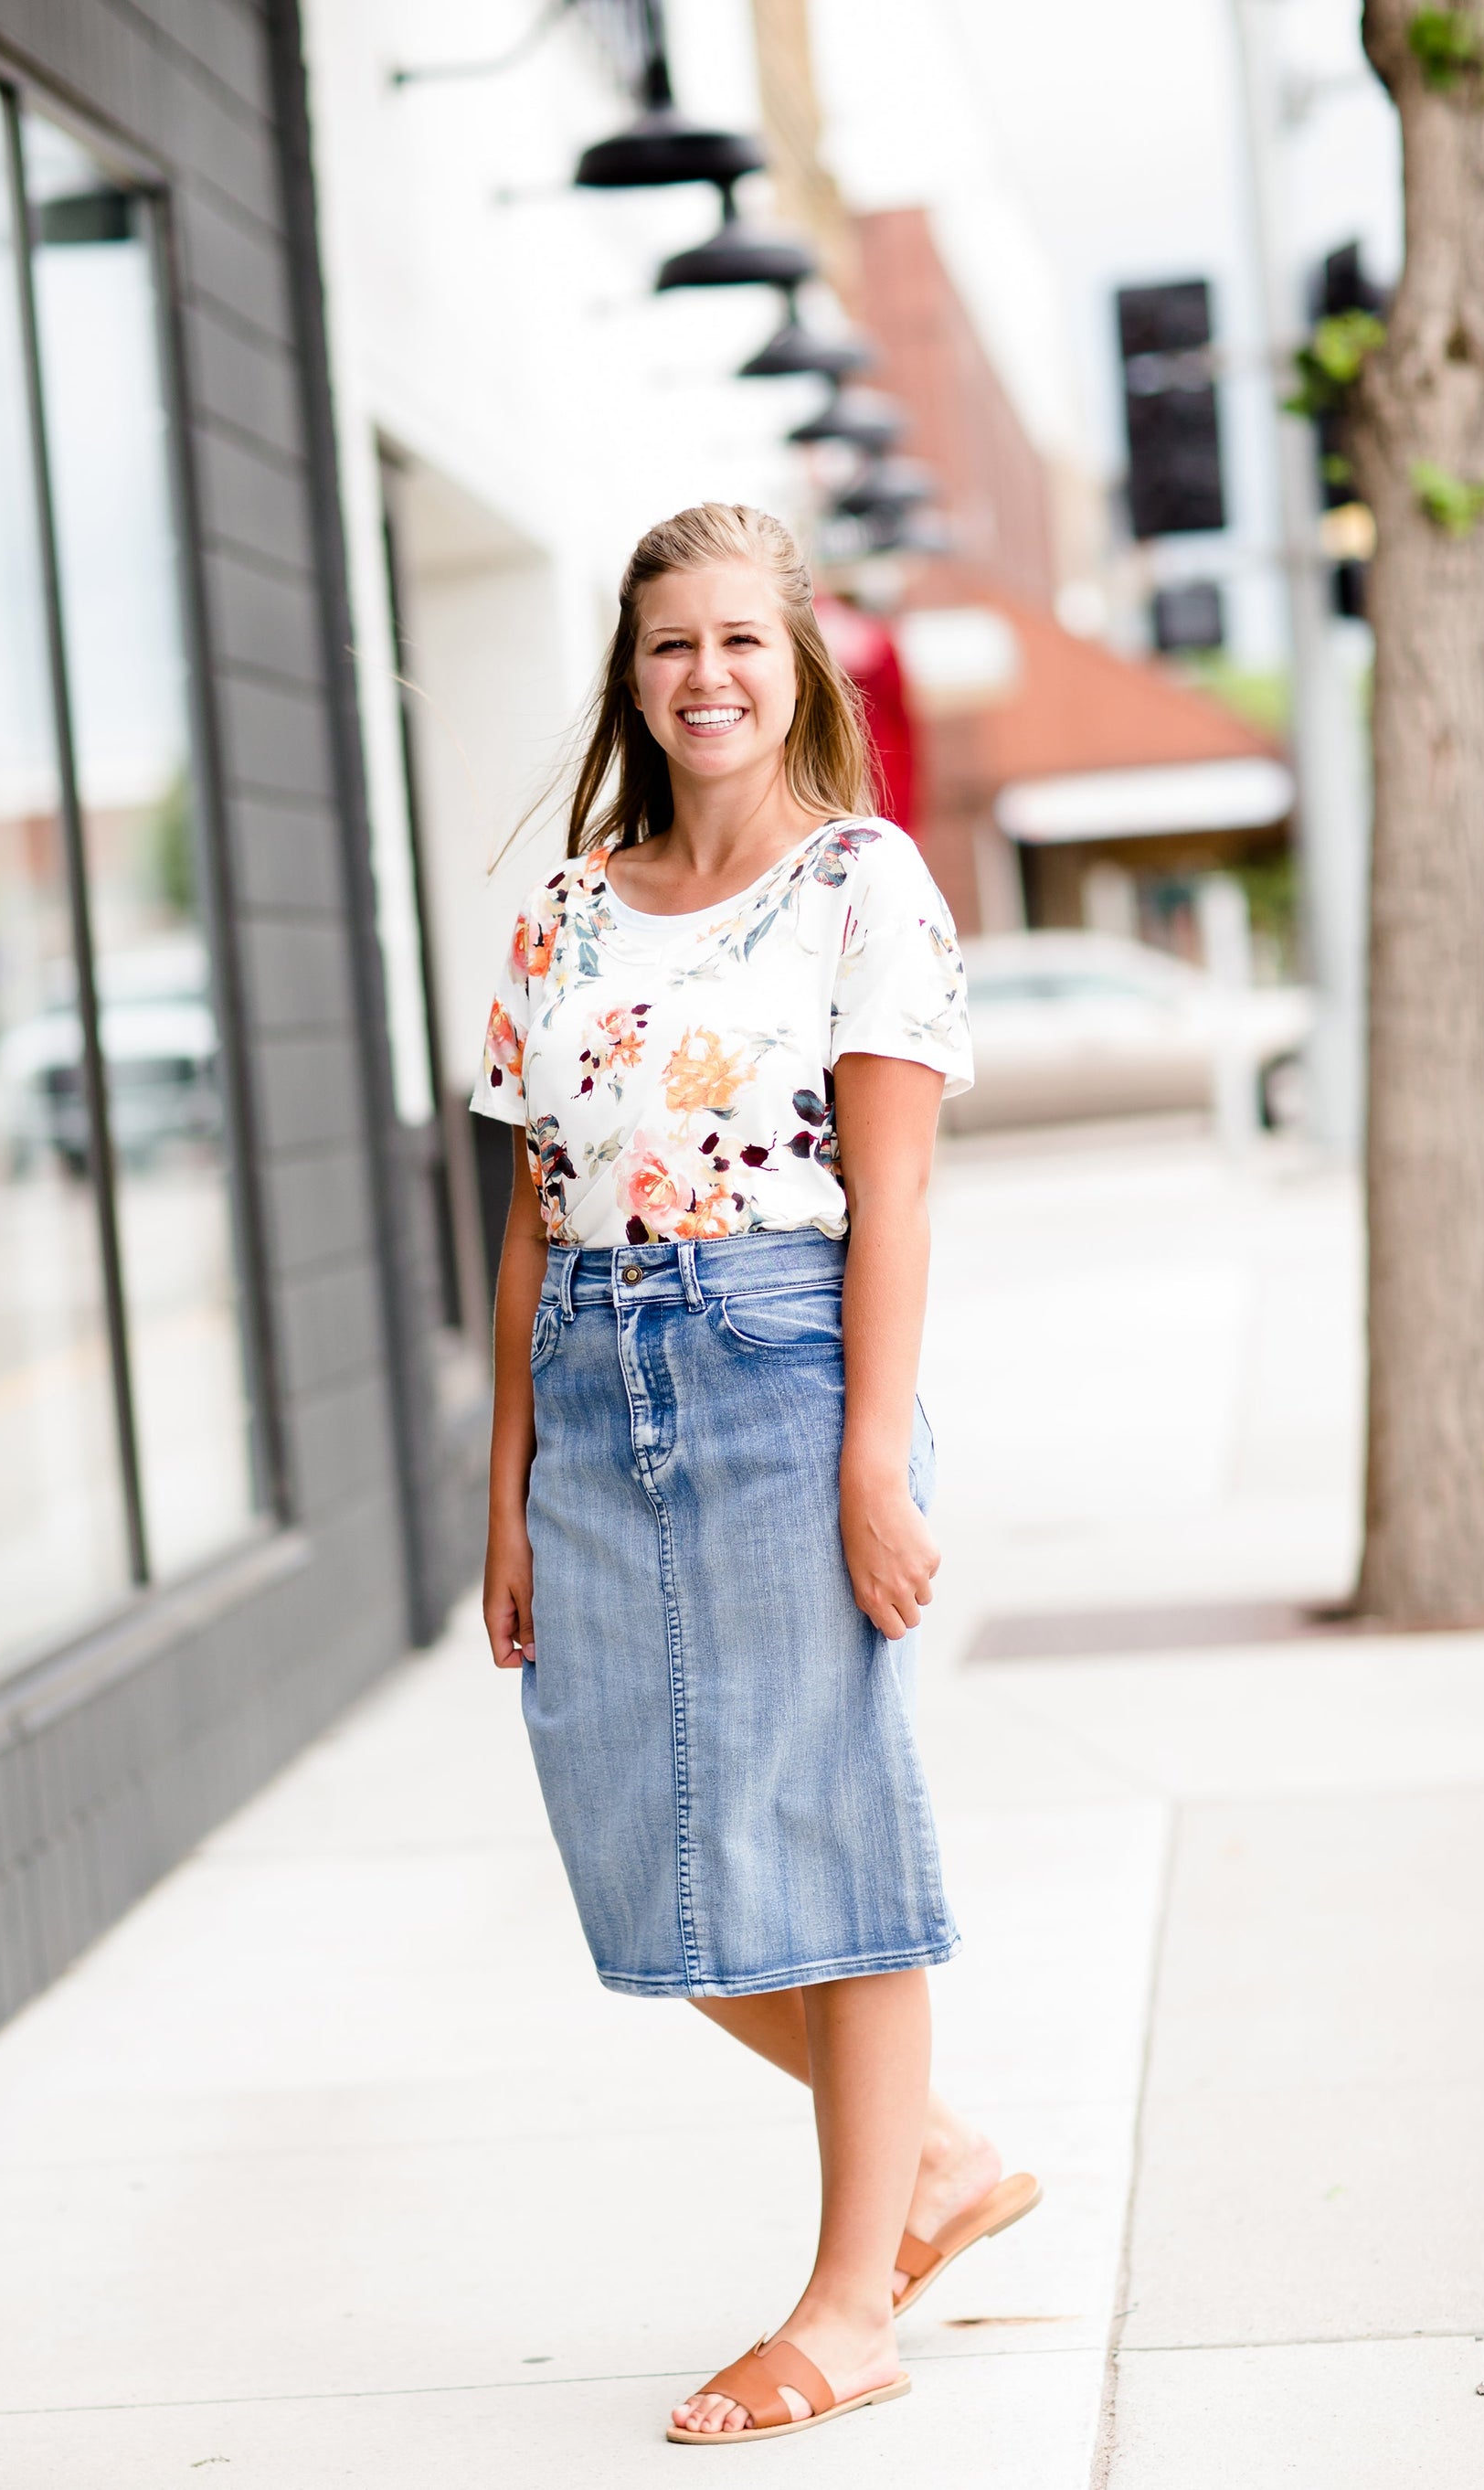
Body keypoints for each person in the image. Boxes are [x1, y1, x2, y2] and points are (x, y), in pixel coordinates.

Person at [473, 503, 1038, 2445]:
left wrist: (873, 1457)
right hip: (591, 1383)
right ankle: (937, 2164)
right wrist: (504, 1500)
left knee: (820, 1838)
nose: (703, 676)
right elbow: (532, 1215)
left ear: (793, 661)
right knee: (651, 1861)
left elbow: (894, 1195)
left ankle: (846, 2302)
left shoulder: (859, 883)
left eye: (737, 640)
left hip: (780, 1363)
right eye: (665, 646)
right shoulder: (563, 909)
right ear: (628, 678)